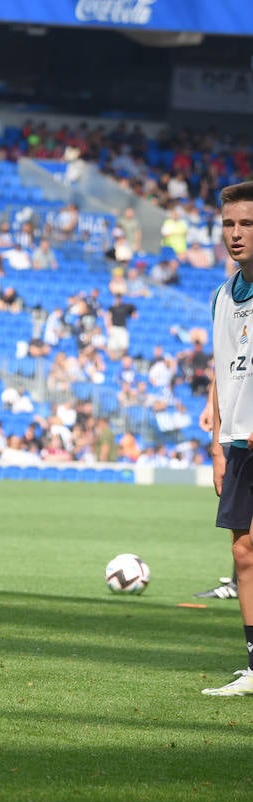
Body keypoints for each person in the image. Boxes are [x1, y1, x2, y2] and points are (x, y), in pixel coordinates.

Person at [204, 179, 253, 697]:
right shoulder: (222, 296)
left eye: (247, 224)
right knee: (243, 554)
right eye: (229, 224)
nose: (235, 234)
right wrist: (217, 444)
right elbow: (222, 366)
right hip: (240, 443)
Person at [196, 385, 238, 600]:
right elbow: (224, 362)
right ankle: (238, 581)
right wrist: (210, 406)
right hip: (236, 423)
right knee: (239, 516)